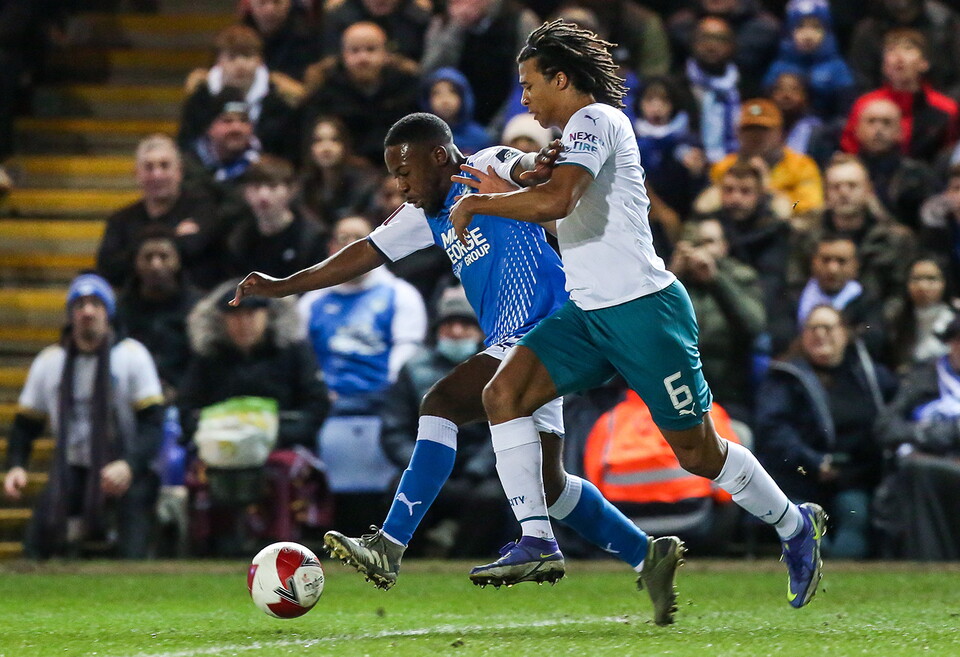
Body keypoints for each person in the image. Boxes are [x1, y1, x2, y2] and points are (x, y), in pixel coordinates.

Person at [231, 113, 680, 626]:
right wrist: (284, 285)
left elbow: (523, 166)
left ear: (440, 156)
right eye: (393, 176)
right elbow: (363, 253)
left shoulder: (484, 165)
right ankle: (647, 554)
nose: (400, 186)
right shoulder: (423, 213)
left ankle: (390, 543)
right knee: (551, 486)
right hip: (521, 344)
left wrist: (540, 163)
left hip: (547, 331)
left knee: (441, 403)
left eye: (405, 173)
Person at [449, 19, 825, 614]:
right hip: (587, 315)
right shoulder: (573, 138)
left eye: (529, 84)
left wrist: (484, 200)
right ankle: (537, 538)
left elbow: (557, 201)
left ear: (561, 79)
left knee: (698, 453)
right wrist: (512, 185)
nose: (524, 98)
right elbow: (565, 217)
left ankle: (793, 523)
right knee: (503, 394)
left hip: (645, 314)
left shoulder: (596, 120)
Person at [2, 273, 165, 559]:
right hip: (72, 468)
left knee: (132, 550)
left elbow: (152, 424)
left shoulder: (131, 355)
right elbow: (25, 426)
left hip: (123, 467)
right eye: (79, 305)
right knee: (35, 546)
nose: (87, 312)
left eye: (95, 304)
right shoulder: (50, 361)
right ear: (70, 315)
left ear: (108, 312)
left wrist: (129, 465)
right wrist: (16, 466)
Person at [178, 281, 329, 556]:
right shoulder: (207, 357)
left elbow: (316, 405)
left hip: (281, 444)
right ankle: (210, 544)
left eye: (251, 314)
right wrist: (211, 438)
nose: (243, 323)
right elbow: (187, 408)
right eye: (235, 316)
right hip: (220, 450)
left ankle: (283, 543)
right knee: (200, 474)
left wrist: (275, 436)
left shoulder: (293, 351)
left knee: (283, 470)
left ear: (268, 315)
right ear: (221, 320)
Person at [298, 215, 427, 536]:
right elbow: (302, 359)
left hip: (381, 401)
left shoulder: (400, 294)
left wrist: (384, 390)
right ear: (331, 247)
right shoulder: (312, 301)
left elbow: (406, 353)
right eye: (342, 238)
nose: (349, 245)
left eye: (357, 238)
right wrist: (320, 391)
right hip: (327, 403)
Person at [755, 305, 897, 559]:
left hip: (854, 478)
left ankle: (839, 576)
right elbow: (773, 430)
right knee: (808, 534)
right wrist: (815, 462)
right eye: (813, 328)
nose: (820, 334)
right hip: (799, 478)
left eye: (828, 328)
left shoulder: (870, 377)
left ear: (845, 334)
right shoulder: (784, 377)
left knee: (854, 518)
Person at [380, 286, 510, 557]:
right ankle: (405, 559)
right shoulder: (412, 369)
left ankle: (463, 561)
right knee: (398, 491)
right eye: (449, 324)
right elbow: (394, 431)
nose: (457, 332)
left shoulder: (499, 370)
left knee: (493, 498)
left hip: (477, 473)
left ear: (481, 331)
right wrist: (426, 467)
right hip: (424, 465)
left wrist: (476, 470)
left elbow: (506, 427)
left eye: (466, 325)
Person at [874, 314, 960, 560]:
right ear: (951, 343)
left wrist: (953, 432)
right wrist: (926, 433)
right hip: (928, 465)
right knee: (915, 470)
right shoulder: (924, 377)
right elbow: (885, 427)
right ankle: (927, 562)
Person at [669, 218, 766, 423]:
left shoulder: (742, 277)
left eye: (709, 242)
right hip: (679, 395)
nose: (702, 250)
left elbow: (754, 326)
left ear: (724, 246)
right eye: (696, 244)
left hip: (728, 395)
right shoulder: (675, 283)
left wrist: (715, 280)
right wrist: (672, 277)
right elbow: (648, 330)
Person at [96, 135, 222, 290]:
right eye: (149, 167)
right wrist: (174, 236)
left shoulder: (202, 209)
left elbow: (195, 248)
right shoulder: (120, 220)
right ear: (137, 174)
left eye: (164, 166)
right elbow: (108, 268)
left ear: (179, 171)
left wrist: (137, 247)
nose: (157, 175)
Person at [300, 21, 419, 165]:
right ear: (343, 55)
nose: (363, 58)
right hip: (343, 168)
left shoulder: (405, 86)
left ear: (386, 53)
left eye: (371, 49)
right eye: (354, 50)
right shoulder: (326, 90)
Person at [177, 25, 298, 159]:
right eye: (232, 57)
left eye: (247, 56)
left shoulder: (278, 100)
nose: (240, 65)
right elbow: (186, 144)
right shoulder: (200, 99)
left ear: (260, 60)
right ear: (218, 61)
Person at [841, 28, 958, 164]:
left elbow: (951, 156)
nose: (899, 56)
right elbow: (850, 150)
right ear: (884, 66)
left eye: (908, 48)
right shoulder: (866, 105)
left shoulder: (945, 108)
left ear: (924, 63)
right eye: (891, 50)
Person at [115, 225, 202, 399]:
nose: (156, 265)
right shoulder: (120, 309)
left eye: (164, 256)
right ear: (136, 263)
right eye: (148, 257)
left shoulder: (199, 308)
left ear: (178, 261)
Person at [710, 98, 824, 217]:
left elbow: (810, 205)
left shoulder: (801, 166)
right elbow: (709, 203)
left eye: (763, 129)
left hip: (785, 223)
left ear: (779, 133)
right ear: (738, 133)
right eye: (749, 129)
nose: (755, 136)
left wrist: (770, 191)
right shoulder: (723, 167)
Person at [223, 154, 328, 279]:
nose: (263, 196)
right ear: (245, 192)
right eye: (256, 187)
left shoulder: (312, 237)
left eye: (273, 186)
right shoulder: (238, 239)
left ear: (291, 190)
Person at [762, 0, 854, 120]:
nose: (808, 35)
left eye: (816, 27)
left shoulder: (838, 69)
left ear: (827, 31)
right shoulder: (778, 69)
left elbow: (845, 114)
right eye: (800, 27)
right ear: (789, 32)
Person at [883, 257, 956, 373]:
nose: (923, 286)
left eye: (931, 279)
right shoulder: (895, 318)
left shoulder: (955, 317)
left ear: (945, 282)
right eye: (916, 279)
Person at [420, 68, 492, 156]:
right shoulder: (421, 138)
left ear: (463, 96)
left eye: (452, 92)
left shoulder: (480, 138)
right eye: (436, 93)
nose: (445, 100)